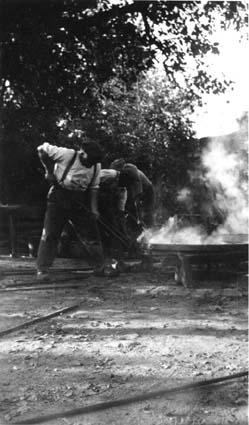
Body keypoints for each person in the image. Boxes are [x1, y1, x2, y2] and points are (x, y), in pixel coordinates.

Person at [36, 139, 104, 280]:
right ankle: (43, 270)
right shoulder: (67, 154)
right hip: (59, 196)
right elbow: (41, 149)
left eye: (93, 161)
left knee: (91, 235)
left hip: (79, 199)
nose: (90, 164)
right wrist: (49, 171)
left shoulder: (96, 166)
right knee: (50, 234)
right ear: (82, 152)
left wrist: (94, 209)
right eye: (89, 160)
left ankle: (99, 267)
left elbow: (93, 188)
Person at [110, 159, 155, 232]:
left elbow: (137, 198)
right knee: (131, 209)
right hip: (137, 188)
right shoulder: (123, 173)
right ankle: (134, 229)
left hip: (147, 190)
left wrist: (139, 218)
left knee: (145, 211)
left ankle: (147, 231)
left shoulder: (131, 173)